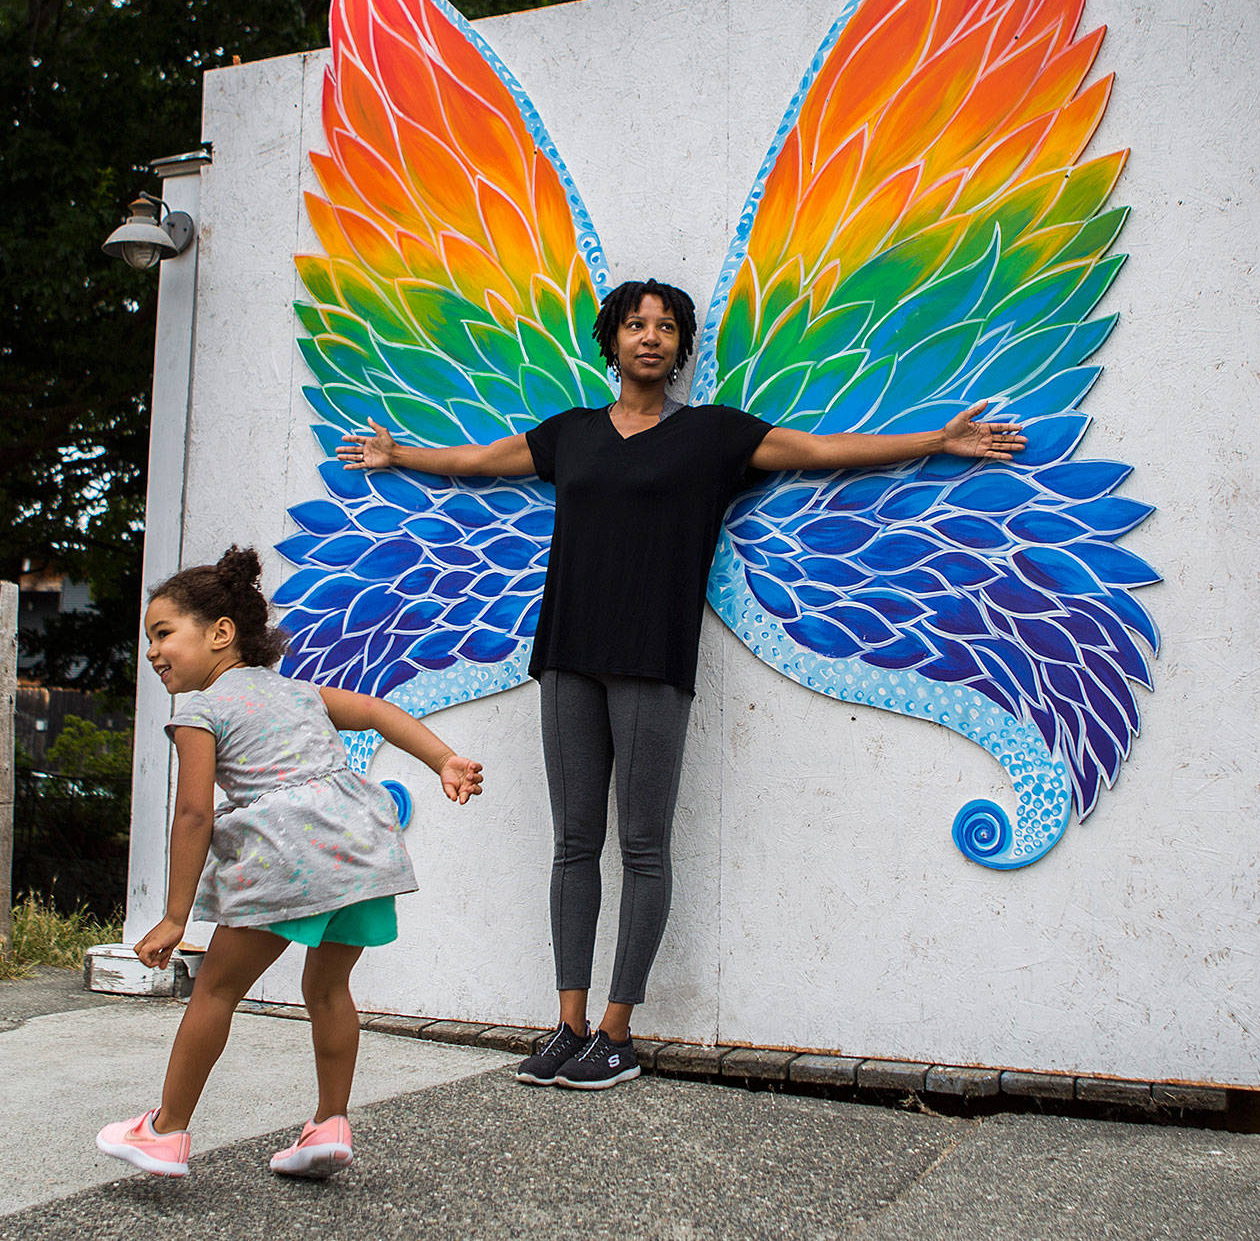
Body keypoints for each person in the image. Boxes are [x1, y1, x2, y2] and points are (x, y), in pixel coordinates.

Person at [338, 278, 1024, 1090]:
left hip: (654, 658)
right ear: (614, 340)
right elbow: (481, 462)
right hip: (566, 655)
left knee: (642, 844)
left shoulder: (712, 437)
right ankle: (568, 1023)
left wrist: (936, 441)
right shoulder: (573, 435)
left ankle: (618, 1033)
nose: (651, 337)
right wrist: (397, 454)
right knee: (572, 844)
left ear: (680, 347)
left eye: (666, 327)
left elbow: (819, 449)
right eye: (636, 324)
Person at [96, 546, 484, 1180]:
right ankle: (329, 1124)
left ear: (221, 634)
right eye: (150, 639)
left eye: (163, 633)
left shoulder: (201, 709)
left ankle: (165, 1131)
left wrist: (173, 918)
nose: (152, 651)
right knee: (328, 989)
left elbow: (193, 815)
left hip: (286, 857)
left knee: (217, 989)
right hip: (357, 850)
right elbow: (379, 712)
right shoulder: (299, 692)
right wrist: (442, 759)